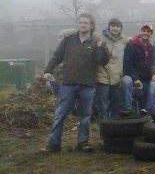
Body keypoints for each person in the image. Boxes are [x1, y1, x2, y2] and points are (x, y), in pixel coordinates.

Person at [42, 13, 110, 153]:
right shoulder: (69, 40)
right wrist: (48, 70)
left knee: (85, 116)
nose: (83, 25)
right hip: (68, 84)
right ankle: (53, 143)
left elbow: (102, 61)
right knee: (60, 114)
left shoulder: (95, 42)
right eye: (81, 22)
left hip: (87, 85)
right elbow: (57, 56)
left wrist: (102, 48)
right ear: (78, 24)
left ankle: (82, 142)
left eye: (86, 23)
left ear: (91, 26)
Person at [95, 18, 130, 119]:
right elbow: (86, 32)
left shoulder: (124, 40)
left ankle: (114, 128)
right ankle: (103, 128)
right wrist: (66, 33)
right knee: (103, 106)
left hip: (116, 78)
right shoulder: (100, 37)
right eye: (113, 26)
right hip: (102, 77)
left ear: (121, 28)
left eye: (117, 26)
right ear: (109, 26)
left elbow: (135, 39)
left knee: (115, 106)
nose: (115, 28)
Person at [123, 24, 155, 113]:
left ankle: (147, 115)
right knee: (137, 93)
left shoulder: (151, 48)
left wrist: (153, 75)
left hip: (146, 78)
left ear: (151, 34)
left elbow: (151, 63)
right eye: (144, 31)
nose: (146, 33)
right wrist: (136, 79)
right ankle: (129, 111)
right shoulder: (131, 45)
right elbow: (128, 65)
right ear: (141, 32)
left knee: (147, 102)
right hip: (133, 78)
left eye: (148, 32)